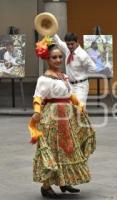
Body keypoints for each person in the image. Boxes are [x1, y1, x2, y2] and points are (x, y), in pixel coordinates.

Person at [29, 41, 96, 198]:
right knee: (53, 150)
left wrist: (78, 103)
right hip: (52, 117)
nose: (58, 60)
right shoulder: (44, 79)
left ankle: (65, 182)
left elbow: (69, 94)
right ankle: (46, 187)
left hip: (67, 115)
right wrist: (37, 112)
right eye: (54, 58)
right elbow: (38, 96)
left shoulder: (63, 76)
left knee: (68, 149)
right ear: (47, 59)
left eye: (60, 57)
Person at [53, 33, 97, 105]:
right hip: (70, 85)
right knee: (70, 109)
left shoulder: (82, 55)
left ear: (77, 42)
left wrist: (84, 76)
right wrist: (52, 30)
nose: (70, 46)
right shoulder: (67, 49)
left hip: (80, 86)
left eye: (72, 44)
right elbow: (59, 42)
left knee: (79, 109)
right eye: (68, 44)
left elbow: (93, 68)